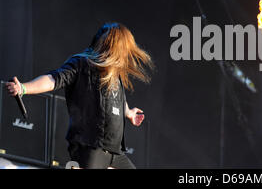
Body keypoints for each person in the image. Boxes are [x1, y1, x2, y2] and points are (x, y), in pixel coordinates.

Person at [4, 22, 154, 169]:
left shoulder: (115, 75)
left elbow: (117, 100)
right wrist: (24, 88)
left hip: (115, 151)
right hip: (91, 147)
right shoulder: (82, 64)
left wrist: (128, 113)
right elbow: (53, 79)